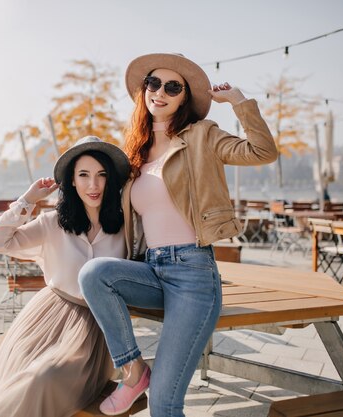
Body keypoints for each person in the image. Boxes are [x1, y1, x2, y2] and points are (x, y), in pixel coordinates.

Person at [78, 53, 277, 417]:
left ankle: (147, 385)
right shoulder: (134, 152)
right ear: (144, 89)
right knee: (94, 274)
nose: (161, 92)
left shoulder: (202, 135)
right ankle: (134, 371)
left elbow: (263, 151)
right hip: (151, 270)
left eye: (173, 87)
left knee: (164, 405)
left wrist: (239, 102)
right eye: (154, 83)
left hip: (193, 275)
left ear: (184, 97)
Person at [0, 136, 130, 417]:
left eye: (101, 175)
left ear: (111, 180)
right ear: (71, 181)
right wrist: (27, 200)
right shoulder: (53, 223)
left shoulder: (126, 226)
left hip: (94, 328)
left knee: (43, 378)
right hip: (45, 317)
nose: (93, 185)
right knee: (20, 377)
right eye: (84, 175)